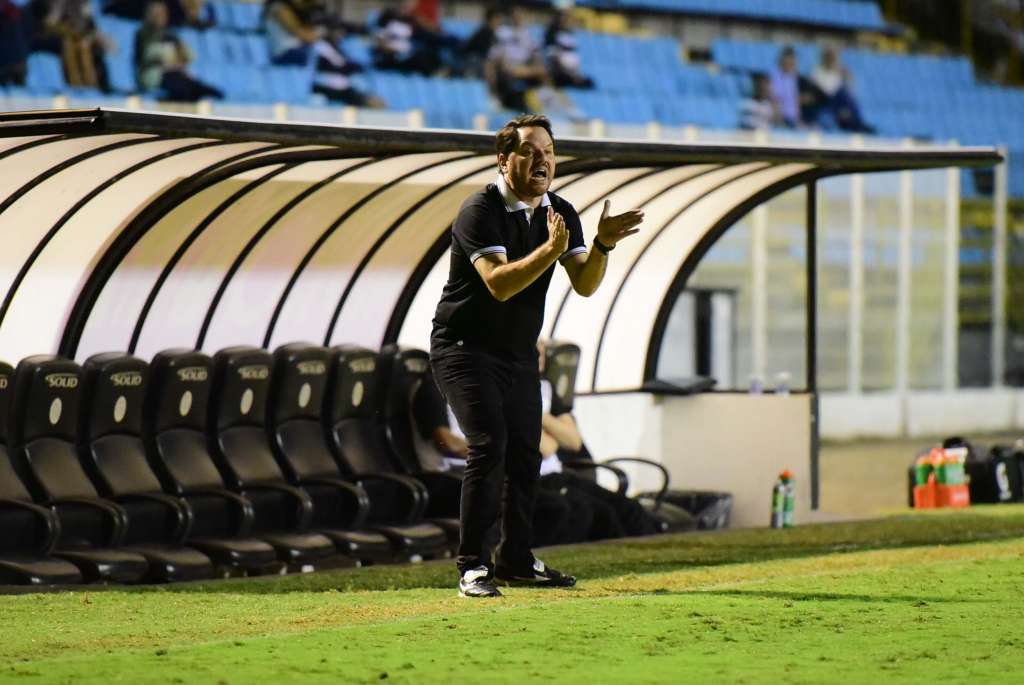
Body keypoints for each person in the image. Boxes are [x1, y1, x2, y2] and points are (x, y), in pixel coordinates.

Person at [429, 113, 645, 598]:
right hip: (463, 349)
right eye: (530, 151)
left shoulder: (562, 211)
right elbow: (499, 285)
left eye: (549, 152)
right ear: (504, 160)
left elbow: (586, 285)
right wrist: (550, 250)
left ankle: (516, 560)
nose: (542, 160)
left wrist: (604, 243)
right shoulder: (478, 209)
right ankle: (472, 567)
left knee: (527, 454)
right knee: (490, 446)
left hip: (518, 354)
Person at [134, 0, 222, 101]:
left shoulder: (171, 35)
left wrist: (178, 61)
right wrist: (167, 62)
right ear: (149, 15)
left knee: (204, 91)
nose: (160, 17)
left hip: (176, 74)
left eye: (163, 13)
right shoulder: (142, 34)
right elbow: (144, 58)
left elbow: (188, 56)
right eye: (156, 14)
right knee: (183, 89)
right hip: (153, 74)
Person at [29, 0, 112, 90]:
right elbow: (47, 23)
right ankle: (76, 84)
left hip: (76, 36)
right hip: (50, 36)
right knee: (70, 44)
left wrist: (96, 36)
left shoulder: (81, 3)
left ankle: (97, 86)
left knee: (90, 46)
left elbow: (89, 23)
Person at [485, 7, 548, 111]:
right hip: (507, 66)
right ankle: (496, 98)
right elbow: (495, 55)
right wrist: (507, 66)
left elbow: (534, 53)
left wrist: (536, 65)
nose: (518, 17)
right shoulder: (502, 32)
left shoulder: (527, 33)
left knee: (543, 71)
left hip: (524, 67)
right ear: (511, 16)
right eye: (516, 15)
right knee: (493, 68)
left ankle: (543, 103)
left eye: (520, 15)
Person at [809, 46, 874, 133]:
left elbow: (852, 90)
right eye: (829, 57)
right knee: (842, 92)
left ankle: (857, 123)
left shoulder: (838, 72)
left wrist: (848, 76)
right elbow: (824, 91)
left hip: (839, 103)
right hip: (824, 101)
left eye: (833, 58)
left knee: (846, 95)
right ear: (824, 58)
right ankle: (857, 124)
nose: (831, 60)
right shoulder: (817, 72)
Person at [543, 9, 593, 89]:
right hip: (559, 71)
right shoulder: (551, 34)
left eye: (567, 18)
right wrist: (567, 72)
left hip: (573, 72)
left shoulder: (570, 34)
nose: (566, 21)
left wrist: (576, 74)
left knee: (590, 83)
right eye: (563, 18)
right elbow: (553, 56)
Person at [769, 45, 801, 128]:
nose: (792, 63)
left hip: (793, 120)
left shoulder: (792, 78)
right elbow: (775, 100)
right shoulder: (776, 76)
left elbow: (795, 102)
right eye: (790, 60)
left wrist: (798, 121)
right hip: (782, 120)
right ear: (782, 60)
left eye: (794, 60)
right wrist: (779, 121)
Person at [0, 0, 31, 87]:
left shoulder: (18, 13)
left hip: (5, 61)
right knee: (21, 93)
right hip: (19, 58)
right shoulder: (21, 12)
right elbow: (28, 33)